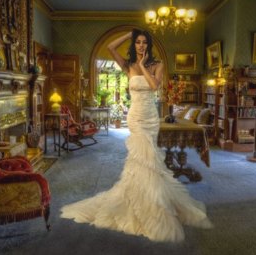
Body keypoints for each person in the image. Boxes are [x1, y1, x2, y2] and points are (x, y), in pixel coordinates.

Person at [60, 29, 212, 242]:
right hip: (135, 117)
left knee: (151, 160)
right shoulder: (126, 65)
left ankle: (153, 201)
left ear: (149, 45)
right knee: (139, 159)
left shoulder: (157, 65)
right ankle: (140, 201)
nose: (141, 45)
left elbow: (154, 85)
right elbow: (111, 47)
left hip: (150, 117)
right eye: (138, 42)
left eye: (144, 42)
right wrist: (129, 35)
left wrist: (142, 65)